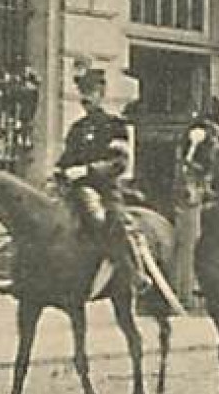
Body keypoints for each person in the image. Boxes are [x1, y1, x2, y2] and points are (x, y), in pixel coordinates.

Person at [41, 61, 147, 295]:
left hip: (103, 190)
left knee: (111, 220)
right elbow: (66, 159)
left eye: (91, 92)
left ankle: (135, 272)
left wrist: (87, 171)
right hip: (73, 190)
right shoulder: (77, 128)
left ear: (101, 94)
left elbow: (119, 163)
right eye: (83, 92)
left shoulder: (114, 125)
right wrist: (58, 172)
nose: (85, 98)